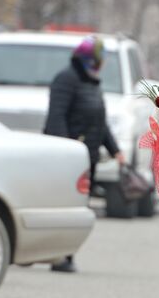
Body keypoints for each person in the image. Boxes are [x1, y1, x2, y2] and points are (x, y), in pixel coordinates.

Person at [44, 35, 125, 273]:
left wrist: (116, 150)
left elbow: (101, 123)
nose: (104, 63)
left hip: (86, 160)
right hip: (68, 159)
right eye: (102, 58)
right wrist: (67, 151)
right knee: (64, 208)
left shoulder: (92, 82)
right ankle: (58, 255)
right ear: (91, 58)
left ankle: (66, 253)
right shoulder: (66, 79)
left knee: (79, 208)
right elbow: (56, 118)